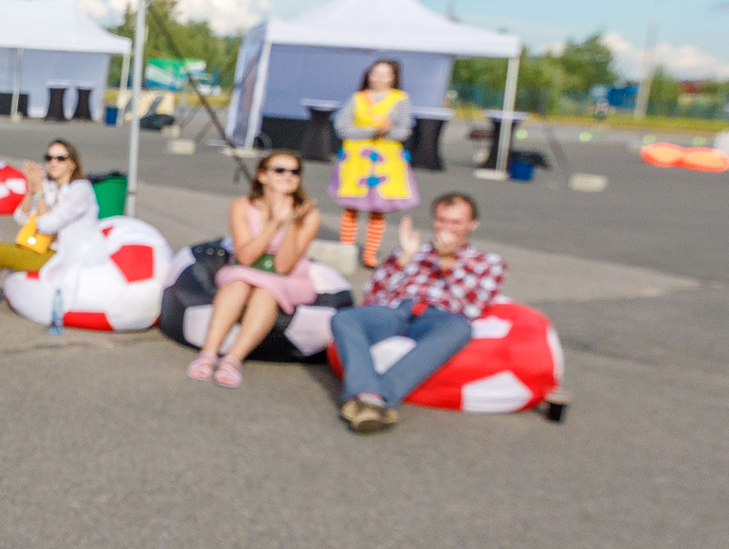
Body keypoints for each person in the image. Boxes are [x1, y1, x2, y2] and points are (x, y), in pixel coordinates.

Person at [331, 191, 506, 434]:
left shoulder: (488, 262)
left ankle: (376, 398)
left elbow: (471, 308)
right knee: (344, 318)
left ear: (471, 225)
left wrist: (447, 263)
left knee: (460, 330)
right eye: (441, 220)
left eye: (455, 222)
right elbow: (371, 295)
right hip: (399, 310)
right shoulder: (414, 249)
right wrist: (402, 260)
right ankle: (368, 395)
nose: (446, 228)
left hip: (441, 317)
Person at [186, 152, 320, 388]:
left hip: (287, 278)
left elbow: (283, 266)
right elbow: (246, 257)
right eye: (280, 170)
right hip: (246, 270)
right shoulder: (242, 206)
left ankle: (233, 359)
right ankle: (208, 353)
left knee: (266, 290)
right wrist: (274, 224)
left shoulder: (308, 214)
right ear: (263, 175)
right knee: (238, 282)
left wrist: (288, 224)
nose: (288, 176)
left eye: (294, 171)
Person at [0, 140, 96, 301]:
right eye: (49, 158)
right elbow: (21, 218)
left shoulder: (80, 190)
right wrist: (31, 190)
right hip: (37, 247)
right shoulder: (50, 186)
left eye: (60, 158)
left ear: (72, 164)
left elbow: (47, 226)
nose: (53, 162)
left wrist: (40, 191)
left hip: (62, 253)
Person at [333, 58, 415, 269]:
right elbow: (342, 127)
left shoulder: (400, 99)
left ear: (393, 77)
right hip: (357, 161)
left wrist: (387, 133)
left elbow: (404, 130)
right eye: (375, 73)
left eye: (384, 74)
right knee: (351, 206)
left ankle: (370, 253)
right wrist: (371, 132)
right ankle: (346, 250)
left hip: (384, 163)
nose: (379, 78)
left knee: (378, 209)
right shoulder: (357, 99)